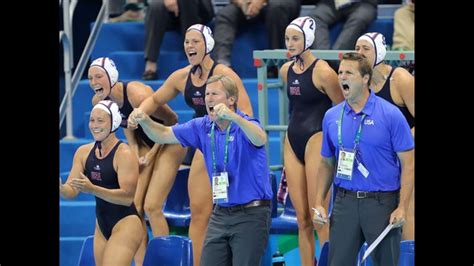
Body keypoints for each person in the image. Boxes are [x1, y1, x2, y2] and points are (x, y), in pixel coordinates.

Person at [128, 24, 254, 266]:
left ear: (207, 45)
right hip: (202, 140)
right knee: (199, 213)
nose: (189, 46)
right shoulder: (182, 76)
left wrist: (233, 147)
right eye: (186, 42)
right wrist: (139, 114)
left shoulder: (226, 75)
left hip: (228, 146)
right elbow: (155, 99)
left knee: (234, 213)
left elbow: (247, 113)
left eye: (195, 41)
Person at [131, 74, 273, 266]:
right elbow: (163, 134)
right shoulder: (203, 126)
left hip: (251, 214)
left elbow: (260, 138)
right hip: (221, 213)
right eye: (207, 94)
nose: (209, 98)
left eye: (215, 93)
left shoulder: (246, 125)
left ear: (231, 99)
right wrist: (145, 121)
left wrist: (234, 117)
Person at [313, 52, 414, 265]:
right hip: (344, 202)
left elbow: (409, 164)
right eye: (340, 72)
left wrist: (403, 206)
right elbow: (326, 163)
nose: (341, 77)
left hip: (382, 204)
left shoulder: (391, 114)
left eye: (349, 72)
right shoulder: (332, 117)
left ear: (365, 78)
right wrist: (319, 202)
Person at [88, 57, 185, 266]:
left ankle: (165, 261)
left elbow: (172, 120)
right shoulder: (101, 103)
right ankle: (142, 262)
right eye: (90, 78)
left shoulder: (137, 94)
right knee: (134, 209)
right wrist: (135, 152)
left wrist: (152, 153)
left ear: (111, 77)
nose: (94, 82)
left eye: (98, 76)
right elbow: (126, 126)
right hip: (144, 144)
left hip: (170, 141)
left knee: (152, 206)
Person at [280, 16, 344, 265]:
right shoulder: (286, 70)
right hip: (292, 141)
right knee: (302, 218)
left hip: (316, 140)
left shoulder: (324, 72)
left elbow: (342, 111)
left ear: (308, 39)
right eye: (287, 39)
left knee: (319, 215)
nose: (290, 43)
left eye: (295, 38)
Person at [59, 100, 144, 266]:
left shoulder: (124, 154)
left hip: (127, 222)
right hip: (102, 225)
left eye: (100, 120)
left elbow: (127, 197)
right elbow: (72, 191)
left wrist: (93, 189)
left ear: (114, 123)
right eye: (92, 120)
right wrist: (61, 188)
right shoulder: (83, 152)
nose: (94, 125)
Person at [355, 32, 415, 240]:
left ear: (380, 52)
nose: (360, 53)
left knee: (407, 209)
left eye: (365, 48)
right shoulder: (362, 85)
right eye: (357, 49)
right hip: (382, 161)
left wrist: (401, 144)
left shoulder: (400, 79)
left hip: (407, 156)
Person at [212, 0, 300, 76]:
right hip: (247, 4)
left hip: (279, 3)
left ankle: (276, 65)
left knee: (277, 7)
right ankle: (222, 67)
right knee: (225, 14)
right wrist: (243, 2)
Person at [142, 0, 214, 80]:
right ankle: (151, 62)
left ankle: (196, 60)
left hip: (199, 10)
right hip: (171, 14)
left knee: (186, 1)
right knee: (156, 5)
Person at [309, 0, 377, 50]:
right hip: (331, 3)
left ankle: (335, 61)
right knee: (314, 19)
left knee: (359, 18)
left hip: (363, 3)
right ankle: (323, 59)